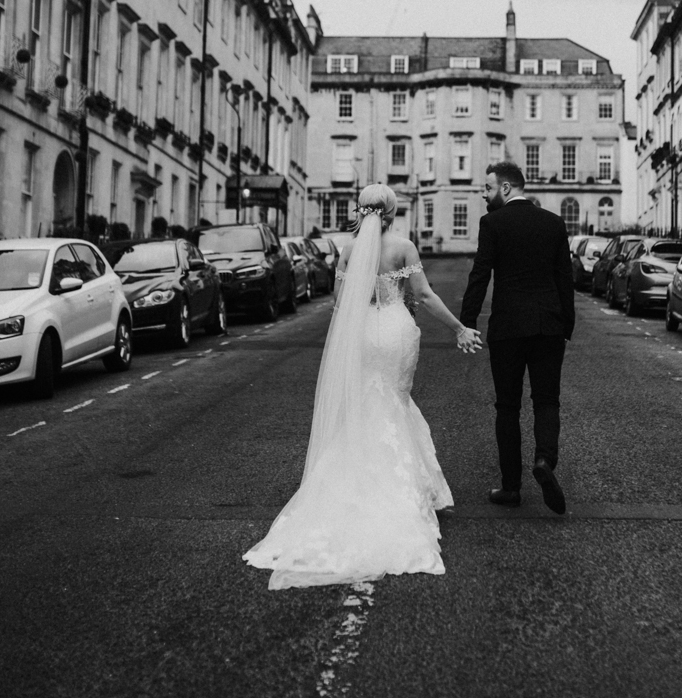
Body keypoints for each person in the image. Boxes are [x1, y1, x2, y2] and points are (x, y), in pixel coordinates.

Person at [244, 183, 481, 590]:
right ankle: (400, 490)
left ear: (362, 212)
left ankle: (349, 482)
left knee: (368, 402)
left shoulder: (349, 250)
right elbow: (422, 295)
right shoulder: (403, 246)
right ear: (390, 213)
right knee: (394, 401)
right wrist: (459, 327)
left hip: (363, 334)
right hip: (395, 330)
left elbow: (340, 301)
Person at [460, 162, 575, 514]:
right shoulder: (554, 223)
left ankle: (511, 488)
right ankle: (544, 460)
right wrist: (565, 325)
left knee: (507, 407)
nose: (483, 193)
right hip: (548, 326)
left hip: (508, 327)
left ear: (506, 188)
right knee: (546, 400)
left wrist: (466, 323)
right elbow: (564, 279)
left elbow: (481, 274)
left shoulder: (492, 223)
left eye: (488, 187)